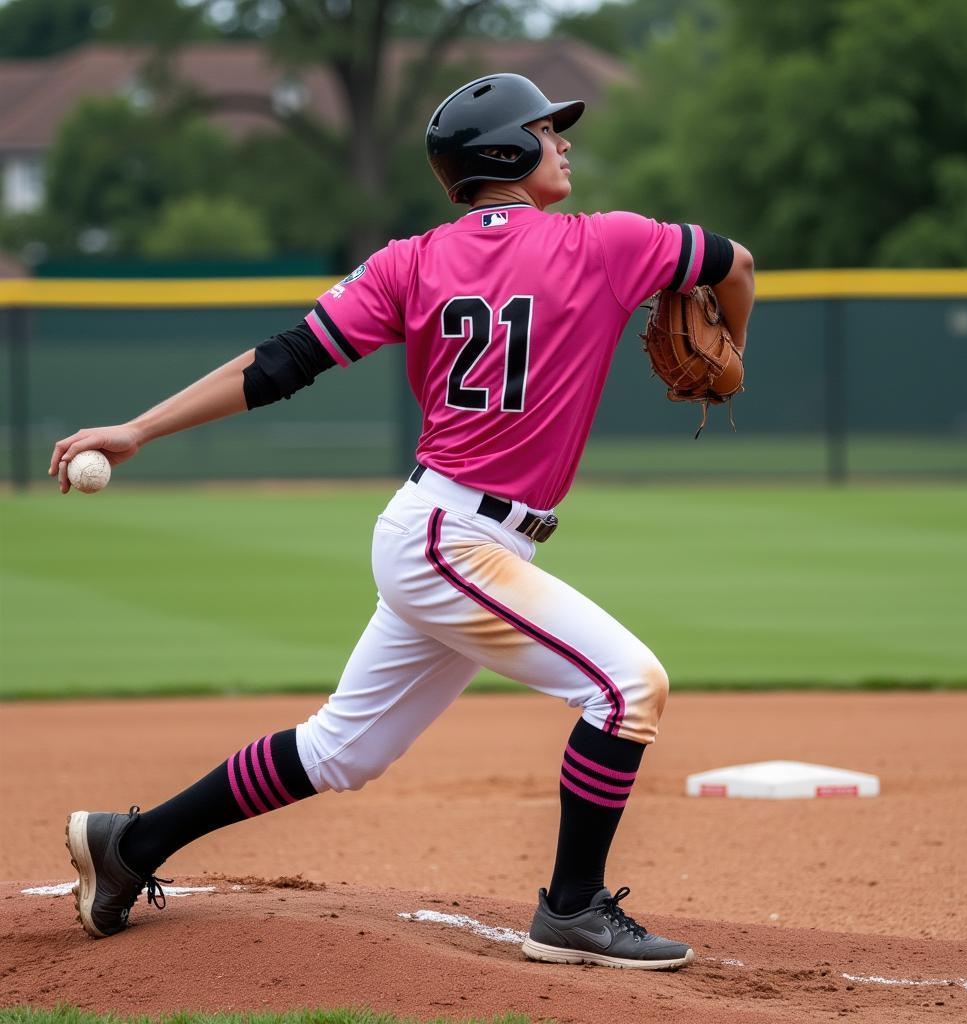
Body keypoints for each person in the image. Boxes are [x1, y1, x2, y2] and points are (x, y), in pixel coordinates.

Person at [53, 73, 755, 970]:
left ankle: (128, 845)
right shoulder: (613, 243)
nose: (565, 142)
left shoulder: (408, 261)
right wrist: (735, 347)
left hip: (438, 529)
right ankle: (573, 909)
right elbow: (734, 265)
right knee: (627, 689)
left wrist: (138, 429)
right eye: (548, 130)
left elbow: (278, 364)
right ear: (507, 152)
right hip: (454, 542)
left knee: (340, 750)